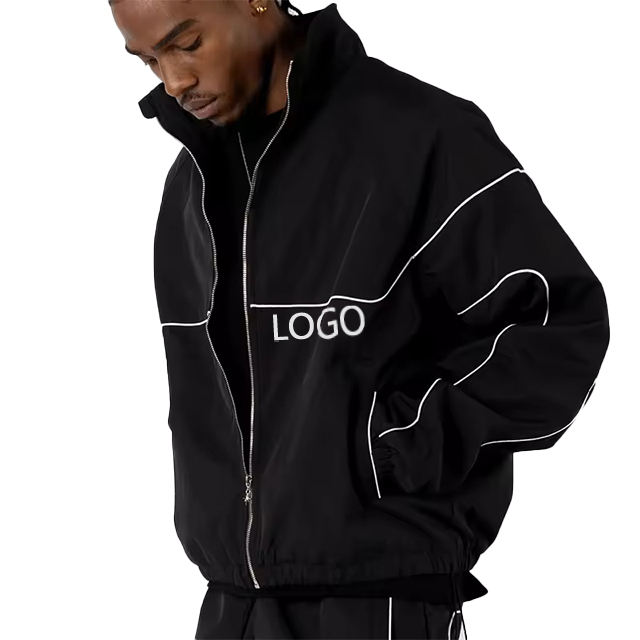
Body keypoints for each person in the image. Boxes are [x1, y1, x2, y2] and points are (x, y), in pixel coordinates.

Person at [109, 1, 611, 638]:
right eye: (149, 61)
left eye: (187, 44)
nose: (174, 81)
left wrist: (404, 445)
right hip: (233, 603)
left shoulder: (419, 136)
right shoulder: (193, 182)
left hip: (380, 601)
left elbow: (558, 323)